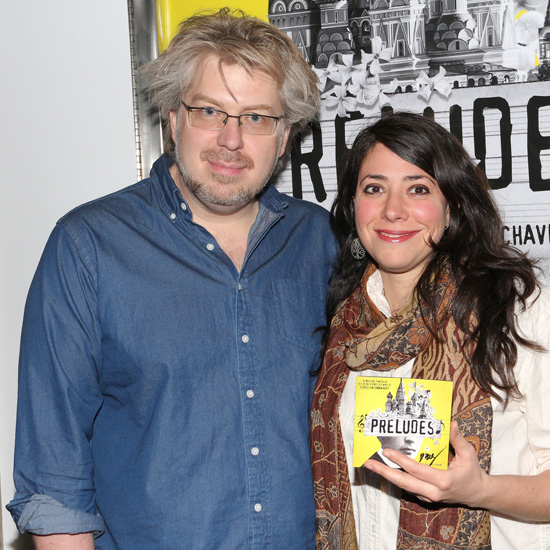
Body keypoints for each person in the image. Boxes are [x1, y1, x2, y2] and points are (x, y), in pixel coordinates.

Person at [8, 9, 336, 550]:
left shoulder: (319, 242)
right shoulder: (89, 246)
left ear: (284, 138)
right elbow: (54, 473)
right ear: (173, 118)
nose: (232, 139)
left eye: (257, 118)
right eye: (210, 110)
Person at [311, 112, 550, 550]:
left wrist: (478, 490)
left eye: (418, 189)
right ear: (353, 205)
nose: (393, 210)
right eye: (374, 188)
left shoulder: (519, 312)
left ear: (452, 206)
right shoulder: (344, 322)